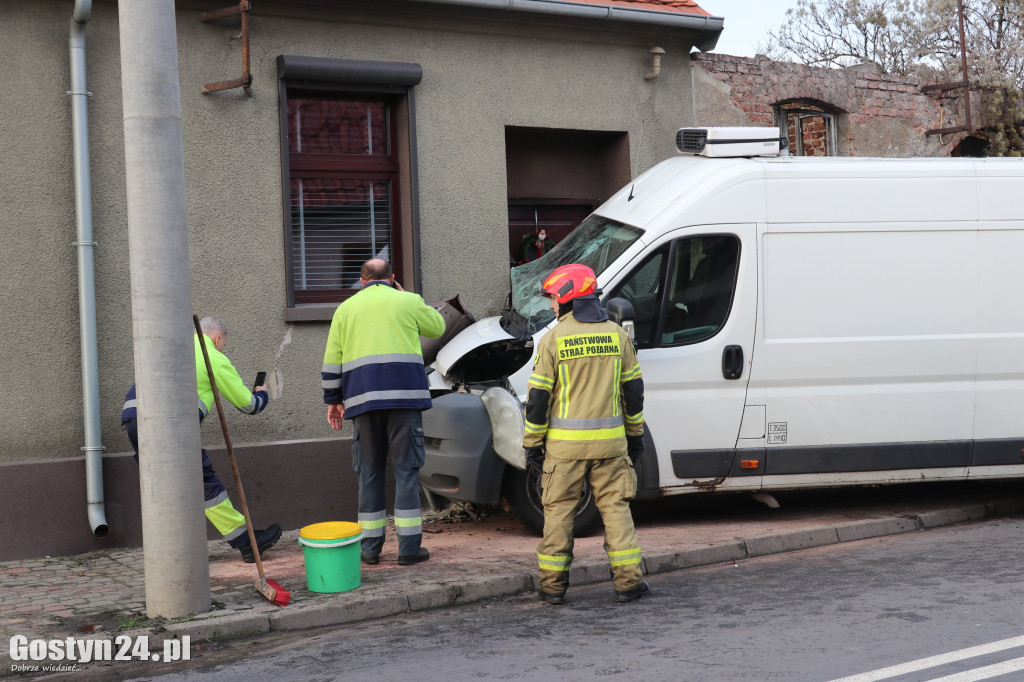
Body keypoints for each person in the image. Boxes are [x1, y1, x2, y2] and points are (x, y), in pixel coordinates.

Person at [523, 263, 650, 604]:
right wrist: (635, 434)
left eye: (552, 298)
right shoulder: (616, 335)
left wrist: (532, 445)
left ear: (567, 297)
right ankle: (629, 583)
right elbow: (634, 392)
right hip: (611, 446)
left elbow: (537, 401)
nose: (551, 305)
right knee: (616, 510)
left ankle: (552, 588)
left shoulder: (553, 340)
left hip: (564, 451)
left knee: (559, 513)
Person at [121, 316, 281, 563]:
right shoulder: (213, 358)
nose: (222, 348)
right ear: (217, 338)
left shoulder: (175, 347)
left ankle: (168, 552)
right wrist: (262, 395)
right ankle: (246, 542)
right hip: (169, 423)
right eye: (223, 344)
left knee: (163, 485)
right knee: (204, 482)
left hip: (134, 419)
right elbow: (249, 406)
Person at [322, 259, 445, 566]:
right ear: (392, 278)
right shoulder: (408, 301)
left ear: (362, 281)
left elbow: (331, 358)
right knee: (406, 472)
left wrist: (333, 400)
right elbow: (438, 327)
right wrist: (407, 295)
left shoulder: (345, 309)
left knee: (369, 474)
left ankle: (369, 549)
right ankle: (408, 550)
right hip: (404, 403)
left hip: (363, 404)